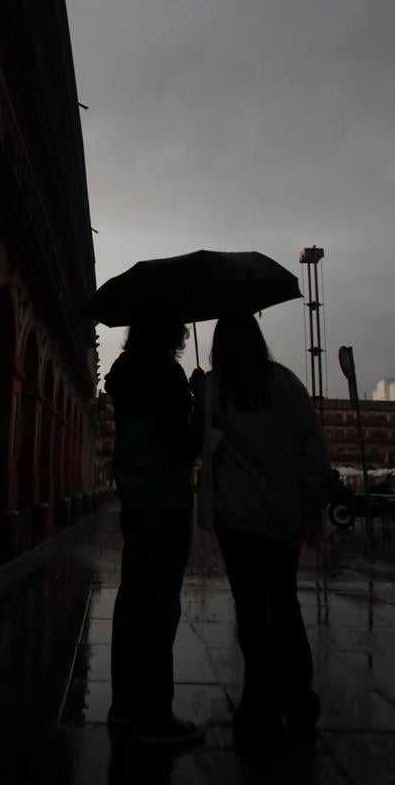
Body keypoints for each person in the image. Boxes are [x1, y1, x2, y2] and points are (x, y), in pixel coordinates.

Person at [192, 313, 332, 756]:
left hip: (239, 522)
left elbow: (198, 446)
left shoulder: (216, 389)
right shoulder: (287, 384)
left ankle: (260, 710)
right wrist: (312, 508)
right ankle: (300, 705)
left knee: (253, 614)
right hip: (282, 519)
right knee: (285, 607)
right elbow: (313, 449)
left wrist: (198, 397)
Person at [104, 318, 204, 746]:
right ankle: (155, 714)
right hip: (166, 498)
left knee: (132, 603)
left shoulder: (125, 372)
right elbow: (181, 444)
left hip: (136, 497)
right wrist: (197, 404)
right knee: (160, 608)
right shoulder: (165, 375)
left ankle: (124, 707)